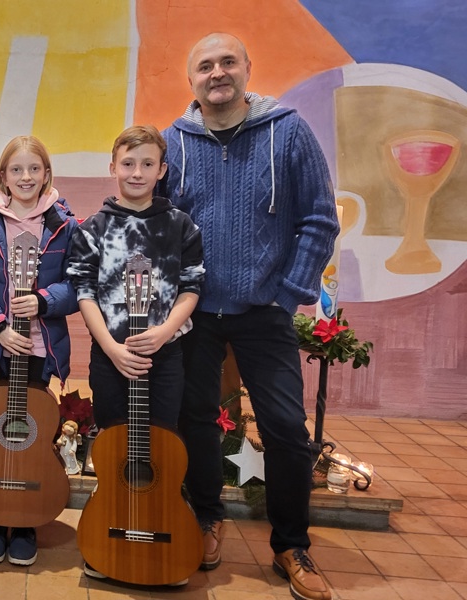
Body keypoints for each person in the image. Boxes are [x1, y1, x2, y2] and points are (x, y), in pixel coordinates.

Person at [162, 33, 339, 600]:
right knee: (196, 419)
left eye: (227, 62)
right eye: (205, 65)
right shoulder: (175, 141)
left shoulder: (287, 131)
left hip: (265, 309)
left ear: (246, 69)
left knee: (287, 429)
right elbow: (159, 225)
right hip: (194, 311)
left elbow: (318, 219)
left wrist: (288, 295)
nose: (217, 73)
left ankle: (291, 545)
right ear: (191, 80)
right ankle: (207, 518)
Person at [67, 124, 203, 580]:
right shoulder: (93, 229)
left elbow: (191, 287)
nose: (137, 172)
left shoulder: (181, 225)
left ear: (162, 170)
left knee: (162, 447)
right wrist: (110, 346)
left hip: (164, 357)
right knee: (113, 444)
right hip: (111, 358)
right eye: (128, 163)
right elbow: (83, 290)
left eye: (148, 164)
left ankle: (162, 533)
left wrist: (164, 332)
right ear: (113, 168)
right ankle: (110, 531)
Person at [0, 135, 79, 566]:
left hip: (40, 348)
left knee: (29, 433)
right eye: (16, 170)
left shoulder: (63, 222)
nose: (26, 177)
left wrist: (45, 300)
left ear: (47, 174)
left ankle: (23, 520)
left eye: (34, 169)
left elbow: (78, 283)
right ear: (3, 176)